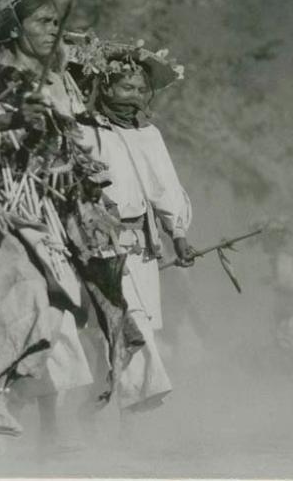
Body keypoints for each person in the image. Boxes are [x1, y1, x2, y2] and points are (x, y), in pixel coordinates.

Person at [0, 0, 104, 445]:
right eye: (43, 21)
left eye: (57, 21)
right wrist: (10, 119)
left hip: (43, 214)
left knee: (60, 307)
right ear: (14, 29)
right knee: (30, 295)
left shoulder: (57, 81)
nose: (54, 28)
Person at [78, 48, 195, 423]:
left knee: (115, 334)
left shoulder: (150, 136)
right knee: (127, 322)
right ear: (105, 88)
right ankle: (143, 390)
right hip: (98, 245)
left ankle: (95, 415)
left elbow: (166, 189)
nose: (133, 96)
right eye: (124, 88)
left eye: (140, 89)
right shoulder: (86, 131)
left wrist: (177, 233)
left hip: (141, 245)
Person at [260, 218, 293, 361]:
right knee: (286, 343)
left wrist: (272, 282)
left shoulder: (283, 260)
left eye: (267, 239)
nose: (264, 244)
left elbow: (290, 287)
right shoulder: (279, 259)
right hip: (290, 310)